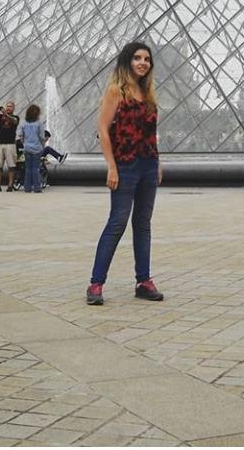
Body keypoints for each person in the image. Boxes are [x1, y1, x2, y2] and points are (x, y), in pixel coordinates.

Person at [87, 41, 163, 306]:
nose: (143, 63)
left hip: (148, 164)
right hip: (125, 165)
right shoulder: (115, 91)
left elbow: (151, 135)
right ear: (127, 61)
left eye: (147, 59)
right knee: (117, 223)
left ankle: (143, 281)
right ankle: (96, 283)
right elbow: (103, 130)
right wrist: (111, 165)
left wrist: (158, 163)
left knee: (143, 224)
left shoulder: (148, 93)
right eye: (137, 58)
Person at [0, 101, 19, 192]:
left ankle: (10, 185)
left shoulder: (15, 117)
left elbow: (14, 121)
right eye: (7, 106)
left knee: (11, 165)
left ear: (13, 108)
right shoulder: (1, 117)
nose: (8, 108)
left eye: (10, 106)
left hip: (10, 144)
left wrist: (6, 114)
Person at [18, 104, 44, 193]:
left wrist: (24, 144)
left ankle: (27, 187)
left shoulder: (23, 123)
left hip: (27, 148)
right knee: (36, 168)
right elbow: (42, 136)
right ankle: (37, 187)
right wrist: (43, 145)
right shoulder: (39, 123)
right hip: (37, 148)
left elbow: (21, 136)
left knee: (28, 168)